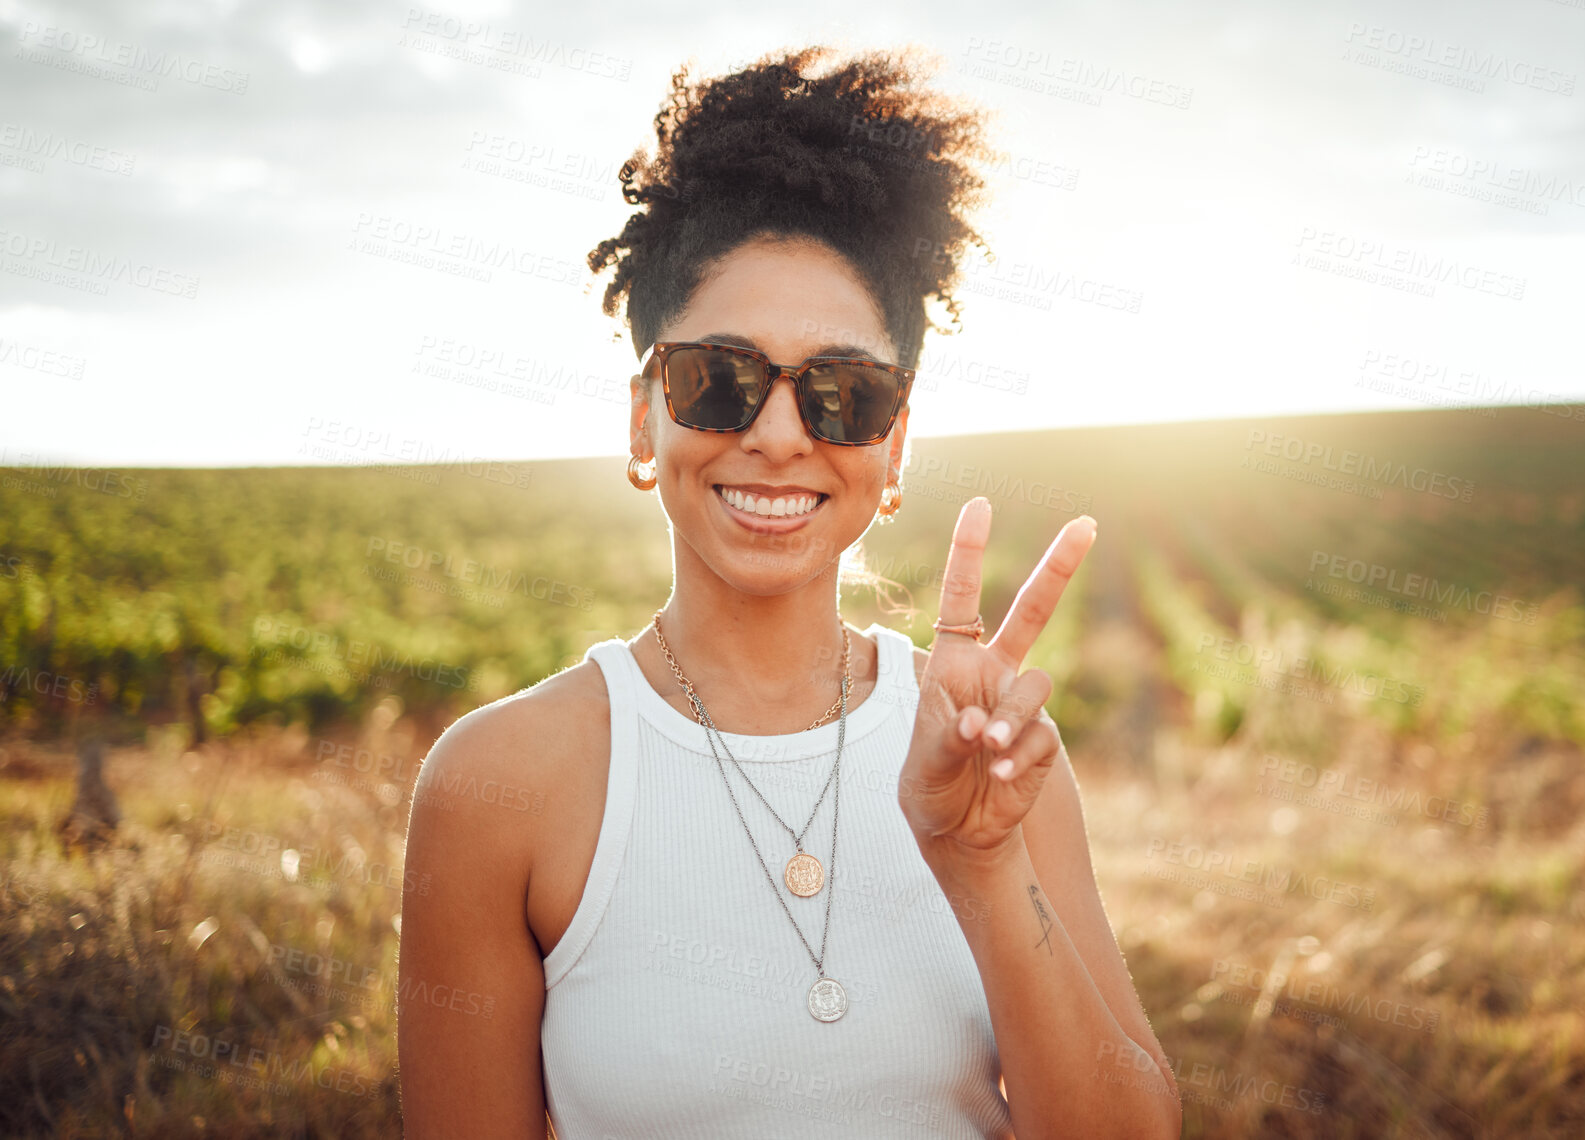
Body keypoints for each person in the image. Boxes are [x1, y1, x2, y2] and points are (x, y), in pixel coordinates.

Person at [397, 44, 1181, 1139]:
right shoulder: (498, 786)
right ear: (642, 417)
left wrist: (984, 865)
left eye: (841, 394)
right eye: (718, 379)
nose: (776, 436)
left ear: (894, 442)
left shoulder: (989, 761)